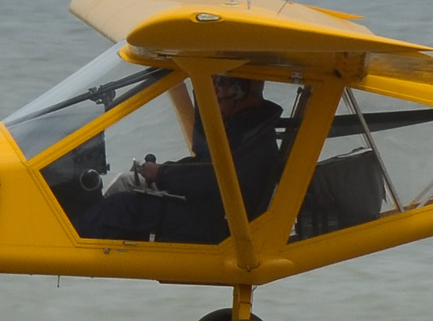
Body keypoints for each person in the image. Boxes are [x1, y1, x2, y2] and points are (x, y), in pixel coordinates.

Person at [75, 76, 282, 243]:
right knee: (125, 181)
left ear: (237, 90)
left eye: (219, 84)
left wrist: (162, 173)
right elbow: (207, 165)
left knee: (120, 208)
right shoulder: (248, 129)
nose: (214, 92)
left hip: (215, 224)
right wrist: (164, 171)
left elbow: (212, 176)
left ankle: (76, 236)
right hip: (210, 209)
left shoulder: (249, 137)